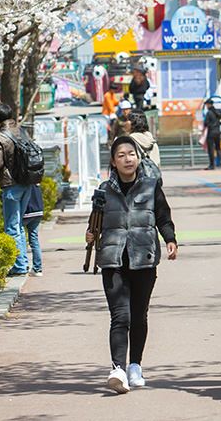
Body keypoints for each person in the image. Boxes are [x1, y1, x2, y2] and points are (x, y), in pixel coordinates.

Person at [86, 135, 177, 394]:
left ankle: (135, 365)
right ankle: (117, 369)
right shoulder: (104, 190)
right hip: (113, 261)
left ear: (138, 158)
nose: (128, 159)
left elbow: (163, 216)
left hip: (144, 259)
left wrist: (170, 239)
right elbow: (95, 222)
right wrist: (90, 234)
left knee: (139, 315)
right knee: (120, 316)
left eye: (131, 154)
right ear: (113, 162)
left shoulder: (151, 186)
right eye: (121, 155)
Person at [0, 103, 30, 276]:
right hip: (27, 183)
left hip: (11, 186)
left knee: (11, 227)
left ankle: (19, 265)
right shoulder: (21, 131)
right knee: (19, 227)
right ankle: (23, 263)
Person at [23, 184, 44, 276]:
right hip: (38, 212)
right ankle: (37, 268)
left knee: (20, 237)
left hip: (27, 212)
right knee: (34, 240)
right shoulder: (36, 180)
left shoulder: (25, 181)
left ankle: (23, 265)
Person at [203, 99, 221, 170]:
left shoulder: (209, 113)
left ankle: (212, 165)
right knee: (218, 148)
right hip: (218, 132)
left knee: (211, 149)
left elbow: (205, 124)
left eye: (207, 105)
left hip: (211, 132)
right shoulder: (218, 111)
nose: (206, 106)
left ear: (209, 104)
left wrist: (210, 125)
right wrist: (218, 124)